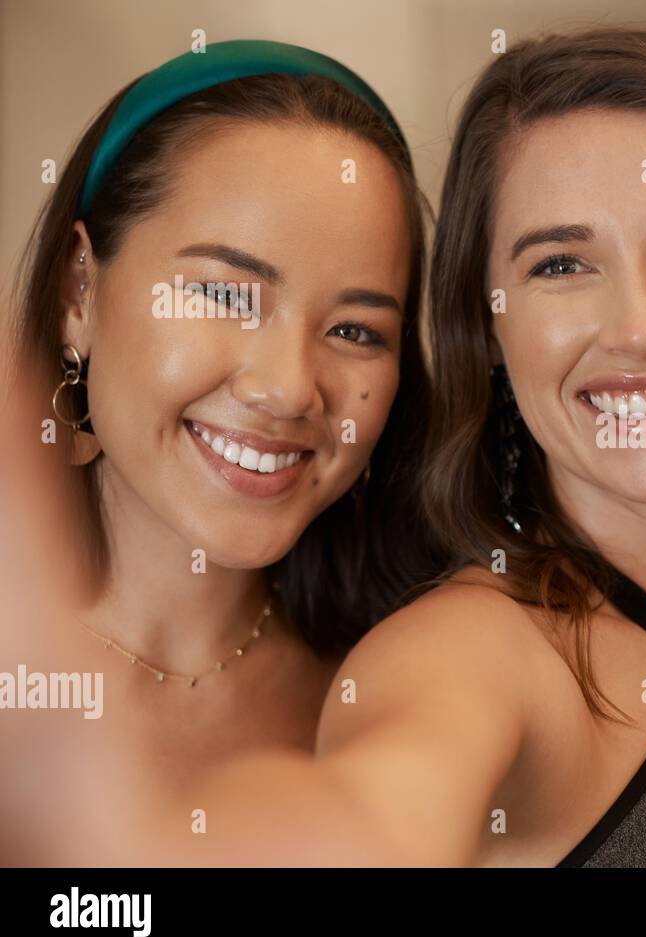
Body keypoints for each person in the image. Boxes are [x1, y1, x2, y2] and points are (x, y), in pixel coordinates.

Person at [121, 27, 646, 868]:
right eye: (561, 265)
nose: (641, 327)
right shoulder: (469, 653)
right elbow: (370, 820)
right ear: (486, 331)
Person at [1, 40, 435, 861]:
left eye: (355, 329)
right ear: (77, 292)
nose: (288, 388)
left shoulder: (406, 696)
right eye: (228, 294)